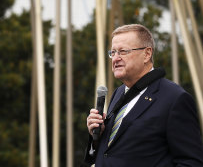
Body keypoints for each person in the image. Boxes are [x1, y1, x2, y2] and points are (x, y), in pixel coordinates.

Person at [83, 24, 203, 167]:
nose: (115, 58)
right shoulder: (119, 93)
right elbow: (111, 153)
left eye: (123, 51)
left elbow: (191, 162)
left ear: (147, 54)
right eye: (113, 52)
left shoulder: (174, 99)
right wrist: (97, 136)